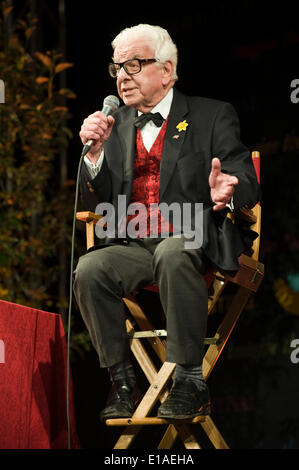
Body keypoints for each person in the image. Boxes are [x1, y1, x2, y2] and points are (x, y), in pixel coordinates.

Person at [74, 24, 260, 420]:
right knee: (90, 268)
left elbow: (244, 177)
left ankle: (190, 381)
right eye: (117, 67)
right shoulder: (115, 125)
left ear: (167, 70)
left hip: (195, 237)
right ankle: (122, 382)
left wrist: (228, 191)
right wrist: (94, 158)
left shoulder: (211, 114)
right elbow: (95, 200)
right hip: (137, 243)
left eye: (135, 64)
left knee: (174, 252)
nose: (123, 75)